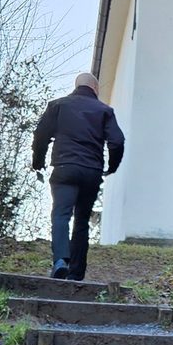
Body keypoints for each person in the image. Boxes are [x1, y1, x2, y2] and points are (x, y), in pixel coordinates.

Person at [32, 71, 124, 281]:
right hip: (91, 171)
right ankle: (76, 273)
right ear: (95, 88)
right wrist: (112, 167)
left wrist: (38, 163)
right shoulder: (104, 110)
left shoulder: (58, 106)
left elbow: (41, 135)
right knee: (82, 220)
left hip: (64, 167)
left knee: (61, 215)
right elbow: (117, 141)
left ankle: (60, 261)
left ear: (76, 86)